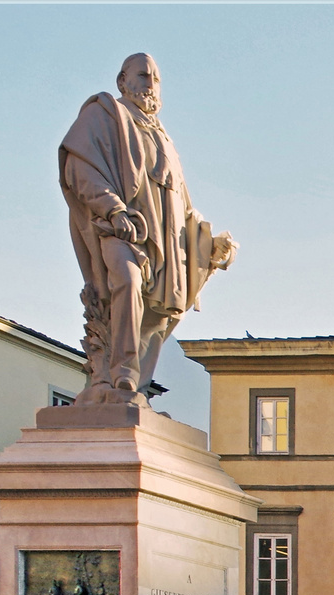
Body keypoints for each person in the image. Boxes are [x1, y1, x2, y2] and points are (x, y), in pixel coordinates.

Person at [59, 53, 237, 406]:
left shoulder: (164, 138)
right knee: (126, 280)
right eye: (142, 75)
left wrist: (208, 239)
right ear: (122, 80)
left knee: (159, 310)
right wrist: (113, 208)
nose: (150, 83)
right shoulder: (105, 114)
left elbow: (180, 202)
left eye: (155, 77)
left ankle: (137, 384)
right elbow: (79, 169)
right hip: (116, 225)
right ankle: (120, 372)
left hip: (163, 239)